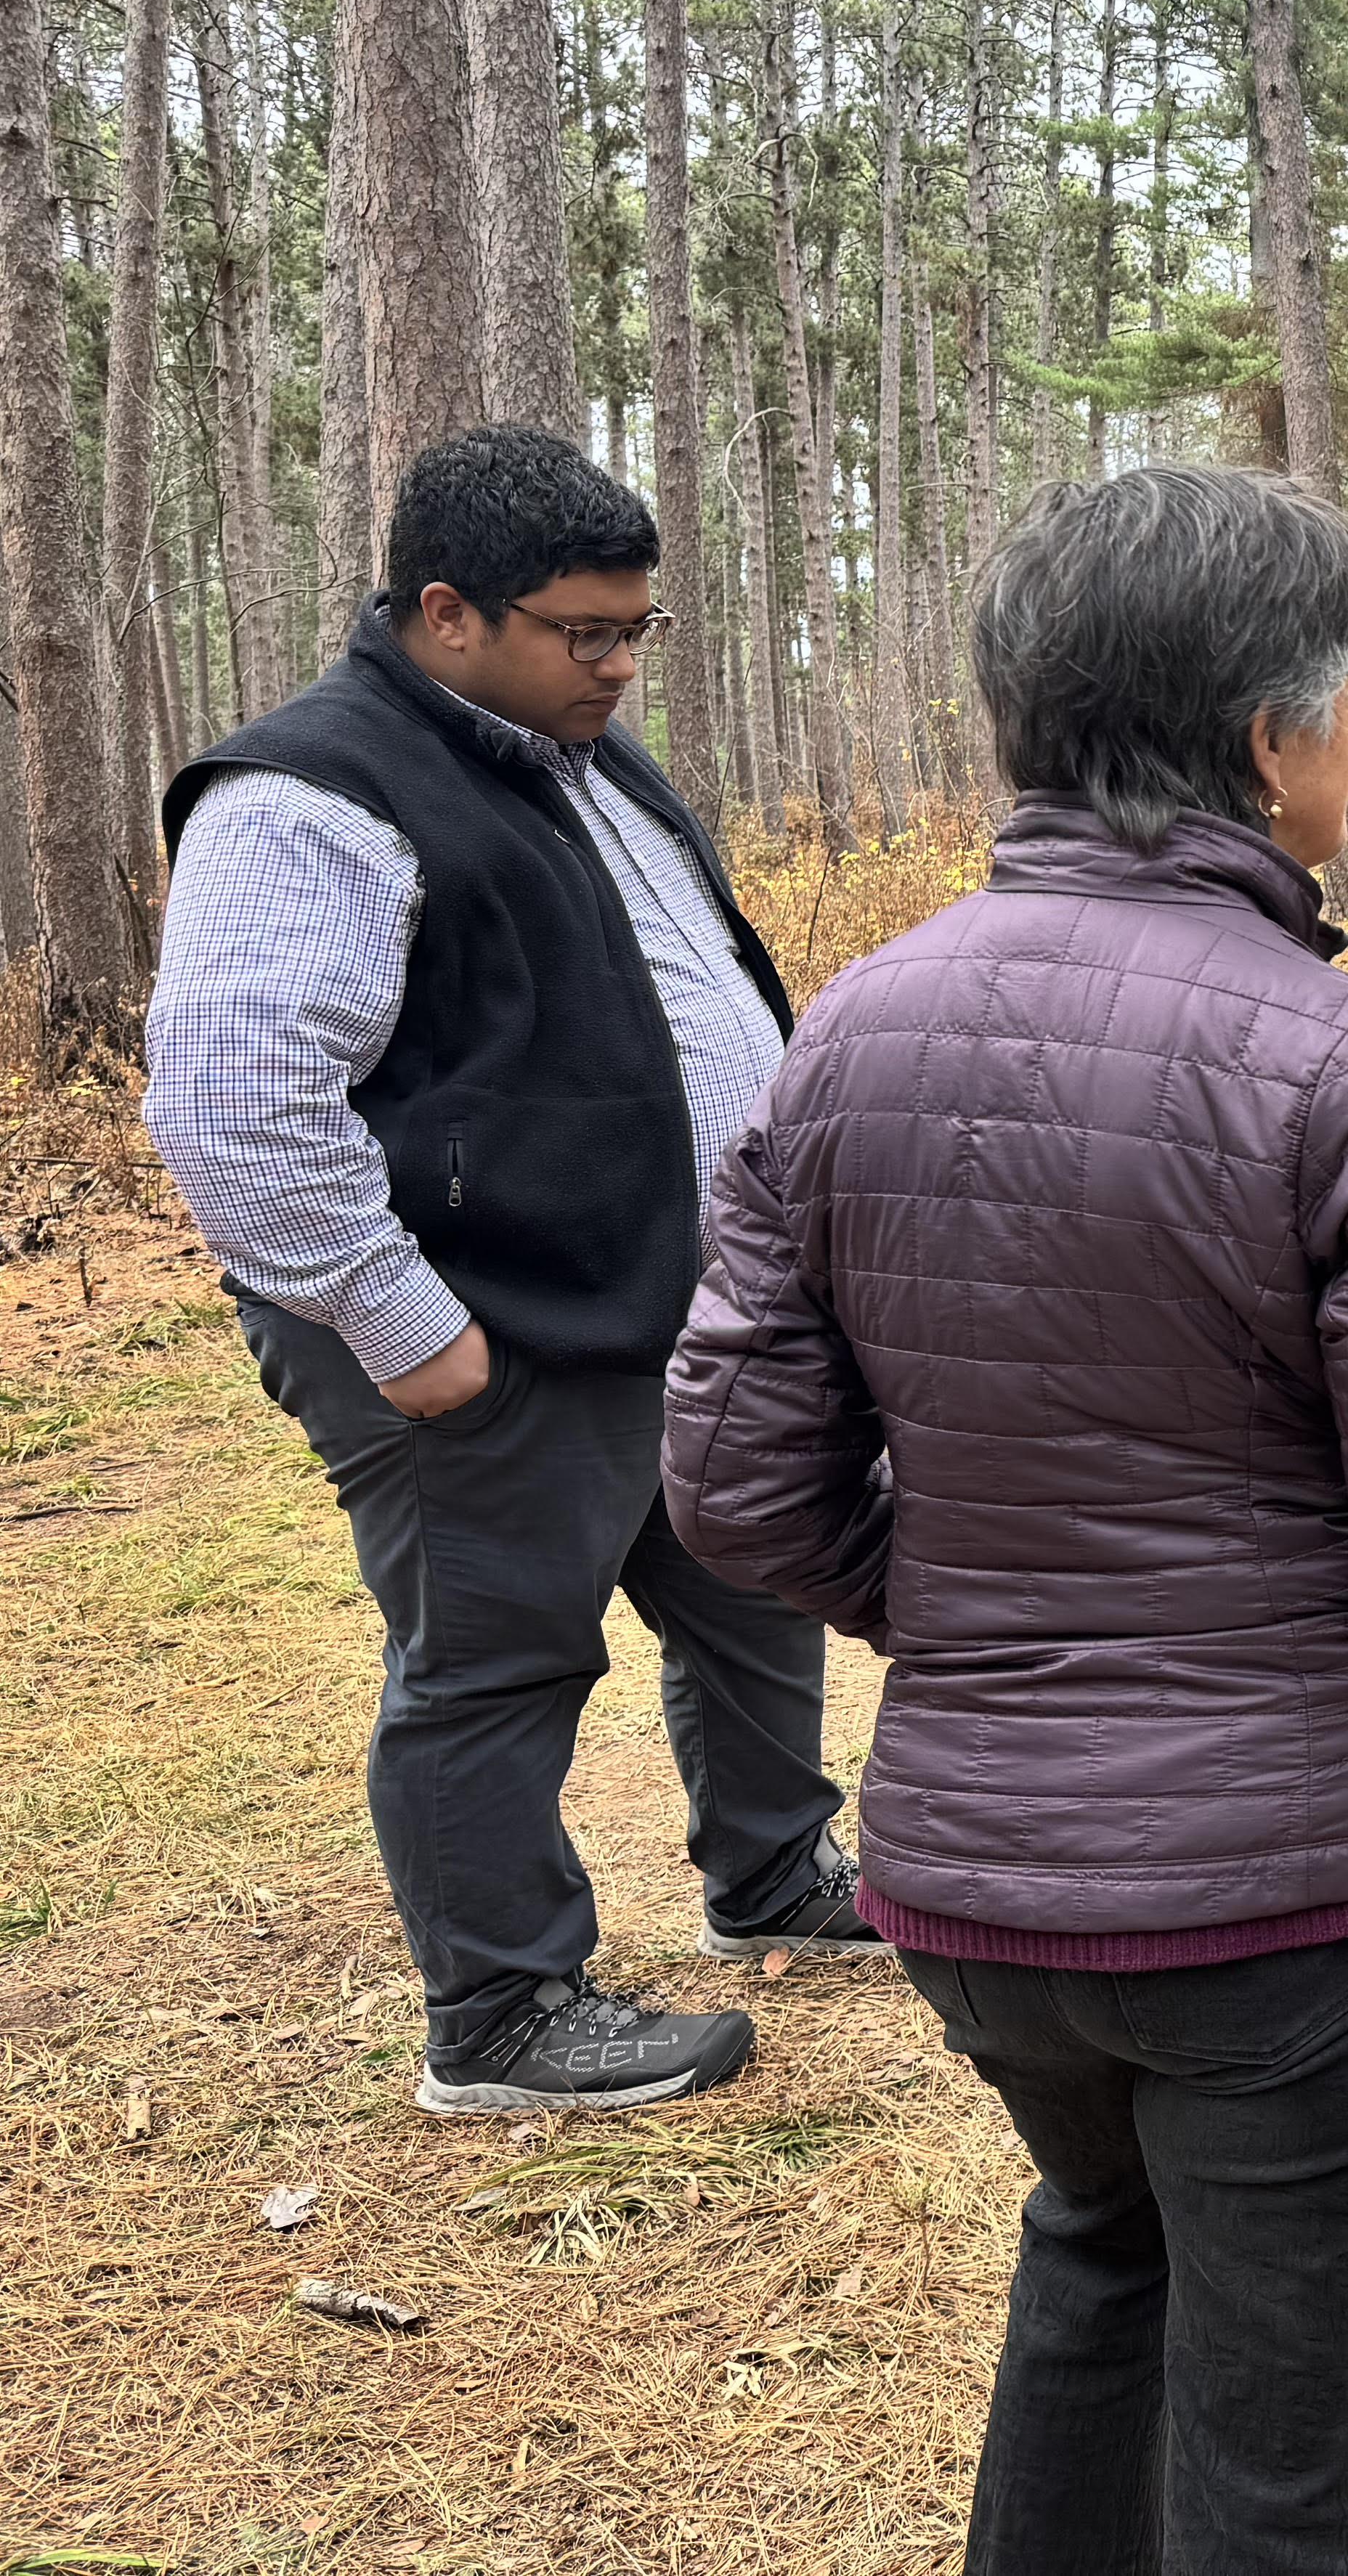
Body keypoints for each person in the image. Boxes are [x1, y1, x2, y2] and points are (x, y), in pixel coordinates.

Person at [665, 464, 1348, 2576]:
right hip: (1299, 1911)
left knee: (1099, 2255)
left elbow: (731, 1477)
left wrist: (994, 1613)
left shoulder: (844, 1037)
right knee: (1285, 2471)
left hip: (982, 1893)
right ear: (1274, 740)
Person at [147, 426, 865, 2118]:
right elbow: (235, 1107)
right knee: (496, 1652)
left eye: (638, 631)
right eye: (586, 632)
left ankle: (774, 1877)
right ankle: (500, 2016)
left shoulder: (577, 754)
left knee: (748, 1586)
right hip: (467, 1324)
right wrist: (413, 1331)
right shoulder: (309, 796)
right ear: (448, 611)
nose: (620, 662)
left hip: (639, 1298)